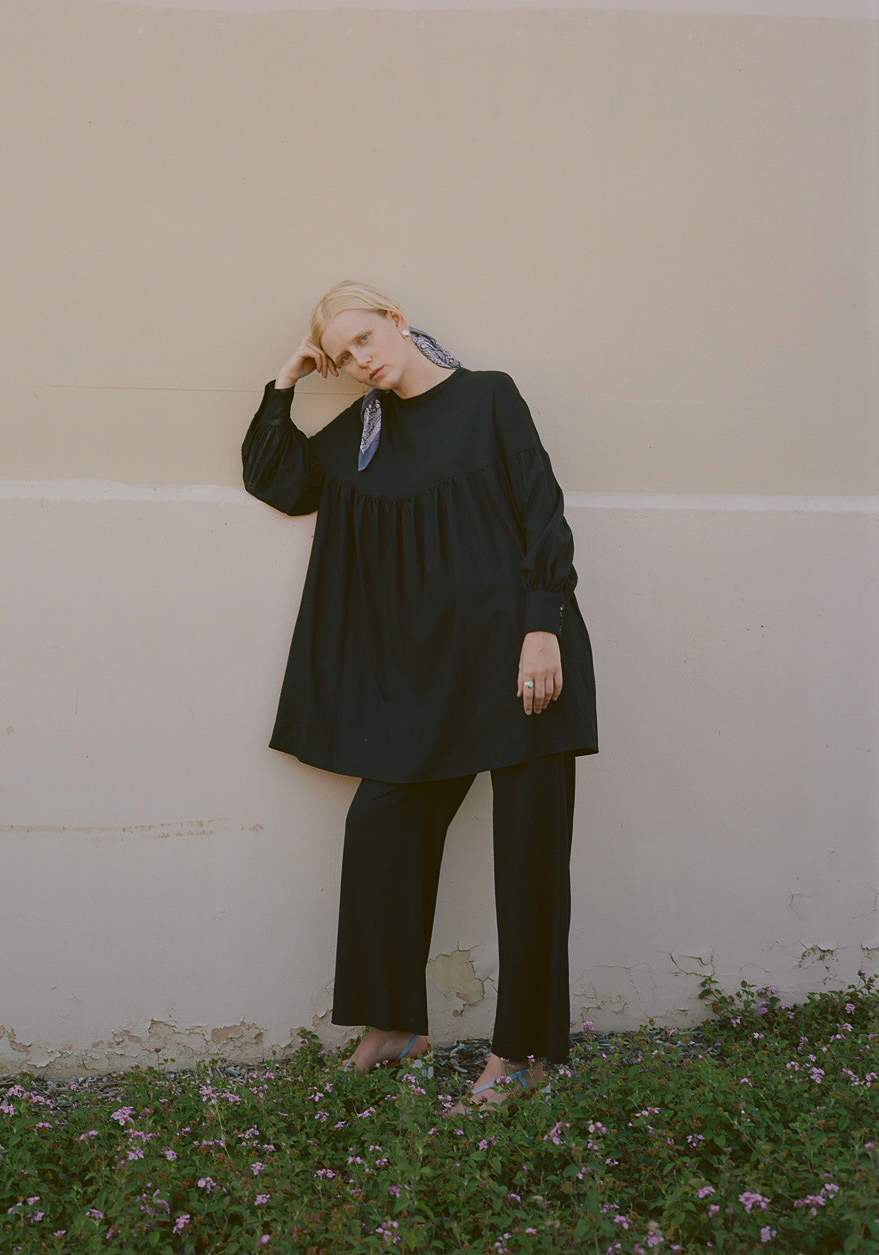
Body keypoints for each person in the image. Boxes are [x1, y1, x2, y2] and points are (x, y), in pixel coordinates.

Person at [242, 281, 597, 1110]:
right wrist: (288, 378)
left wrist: (542, 622)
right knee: (381, 826)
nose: (360, 360)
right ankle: (396, 1024)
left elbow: (542, 509)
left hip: (523, 661)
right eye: (343, 355)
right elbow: (278, 478)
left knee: (530, 858)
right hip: (430, 680)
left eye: (365, 338)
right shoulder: (365, 438)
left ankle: (523, 1055)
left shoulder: (489, 397)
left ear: (397, 322)